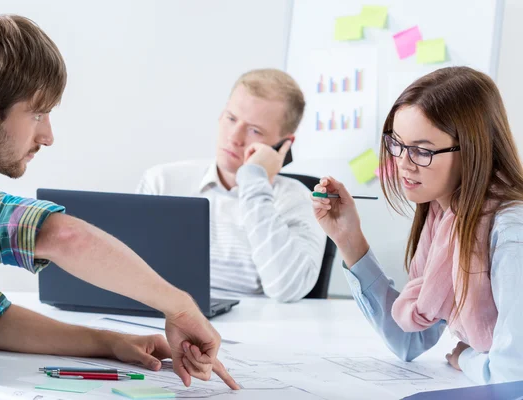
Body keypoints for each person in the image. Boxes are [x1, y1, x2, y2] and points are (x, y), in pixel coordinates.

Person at [0, 15, 239, 398]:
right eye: (37, 114)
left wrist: (113, 342)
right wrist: (180, 307)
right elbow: (62, 236)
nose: (48, 135)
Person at [312, 66, 523, 384]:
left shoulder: (510, 235)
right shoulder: (444, 218)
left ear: (473, 150)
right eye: (396, 144)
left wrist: (466, 357)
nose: (403, 164)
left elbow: (515, 375)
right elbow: (409, 340)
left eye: (421, 150)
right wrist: (349, 238)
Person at [137, 69, 326, 303]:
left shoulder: (298, 200)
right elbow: (130, 275)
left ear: (284, 145)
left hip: (254, 332)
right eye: (231, 119)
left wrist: (253, 182)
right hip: (164, 323)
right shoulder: (161, 182)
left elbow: (286, 289)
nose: (234, 138)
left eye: (254, 130)